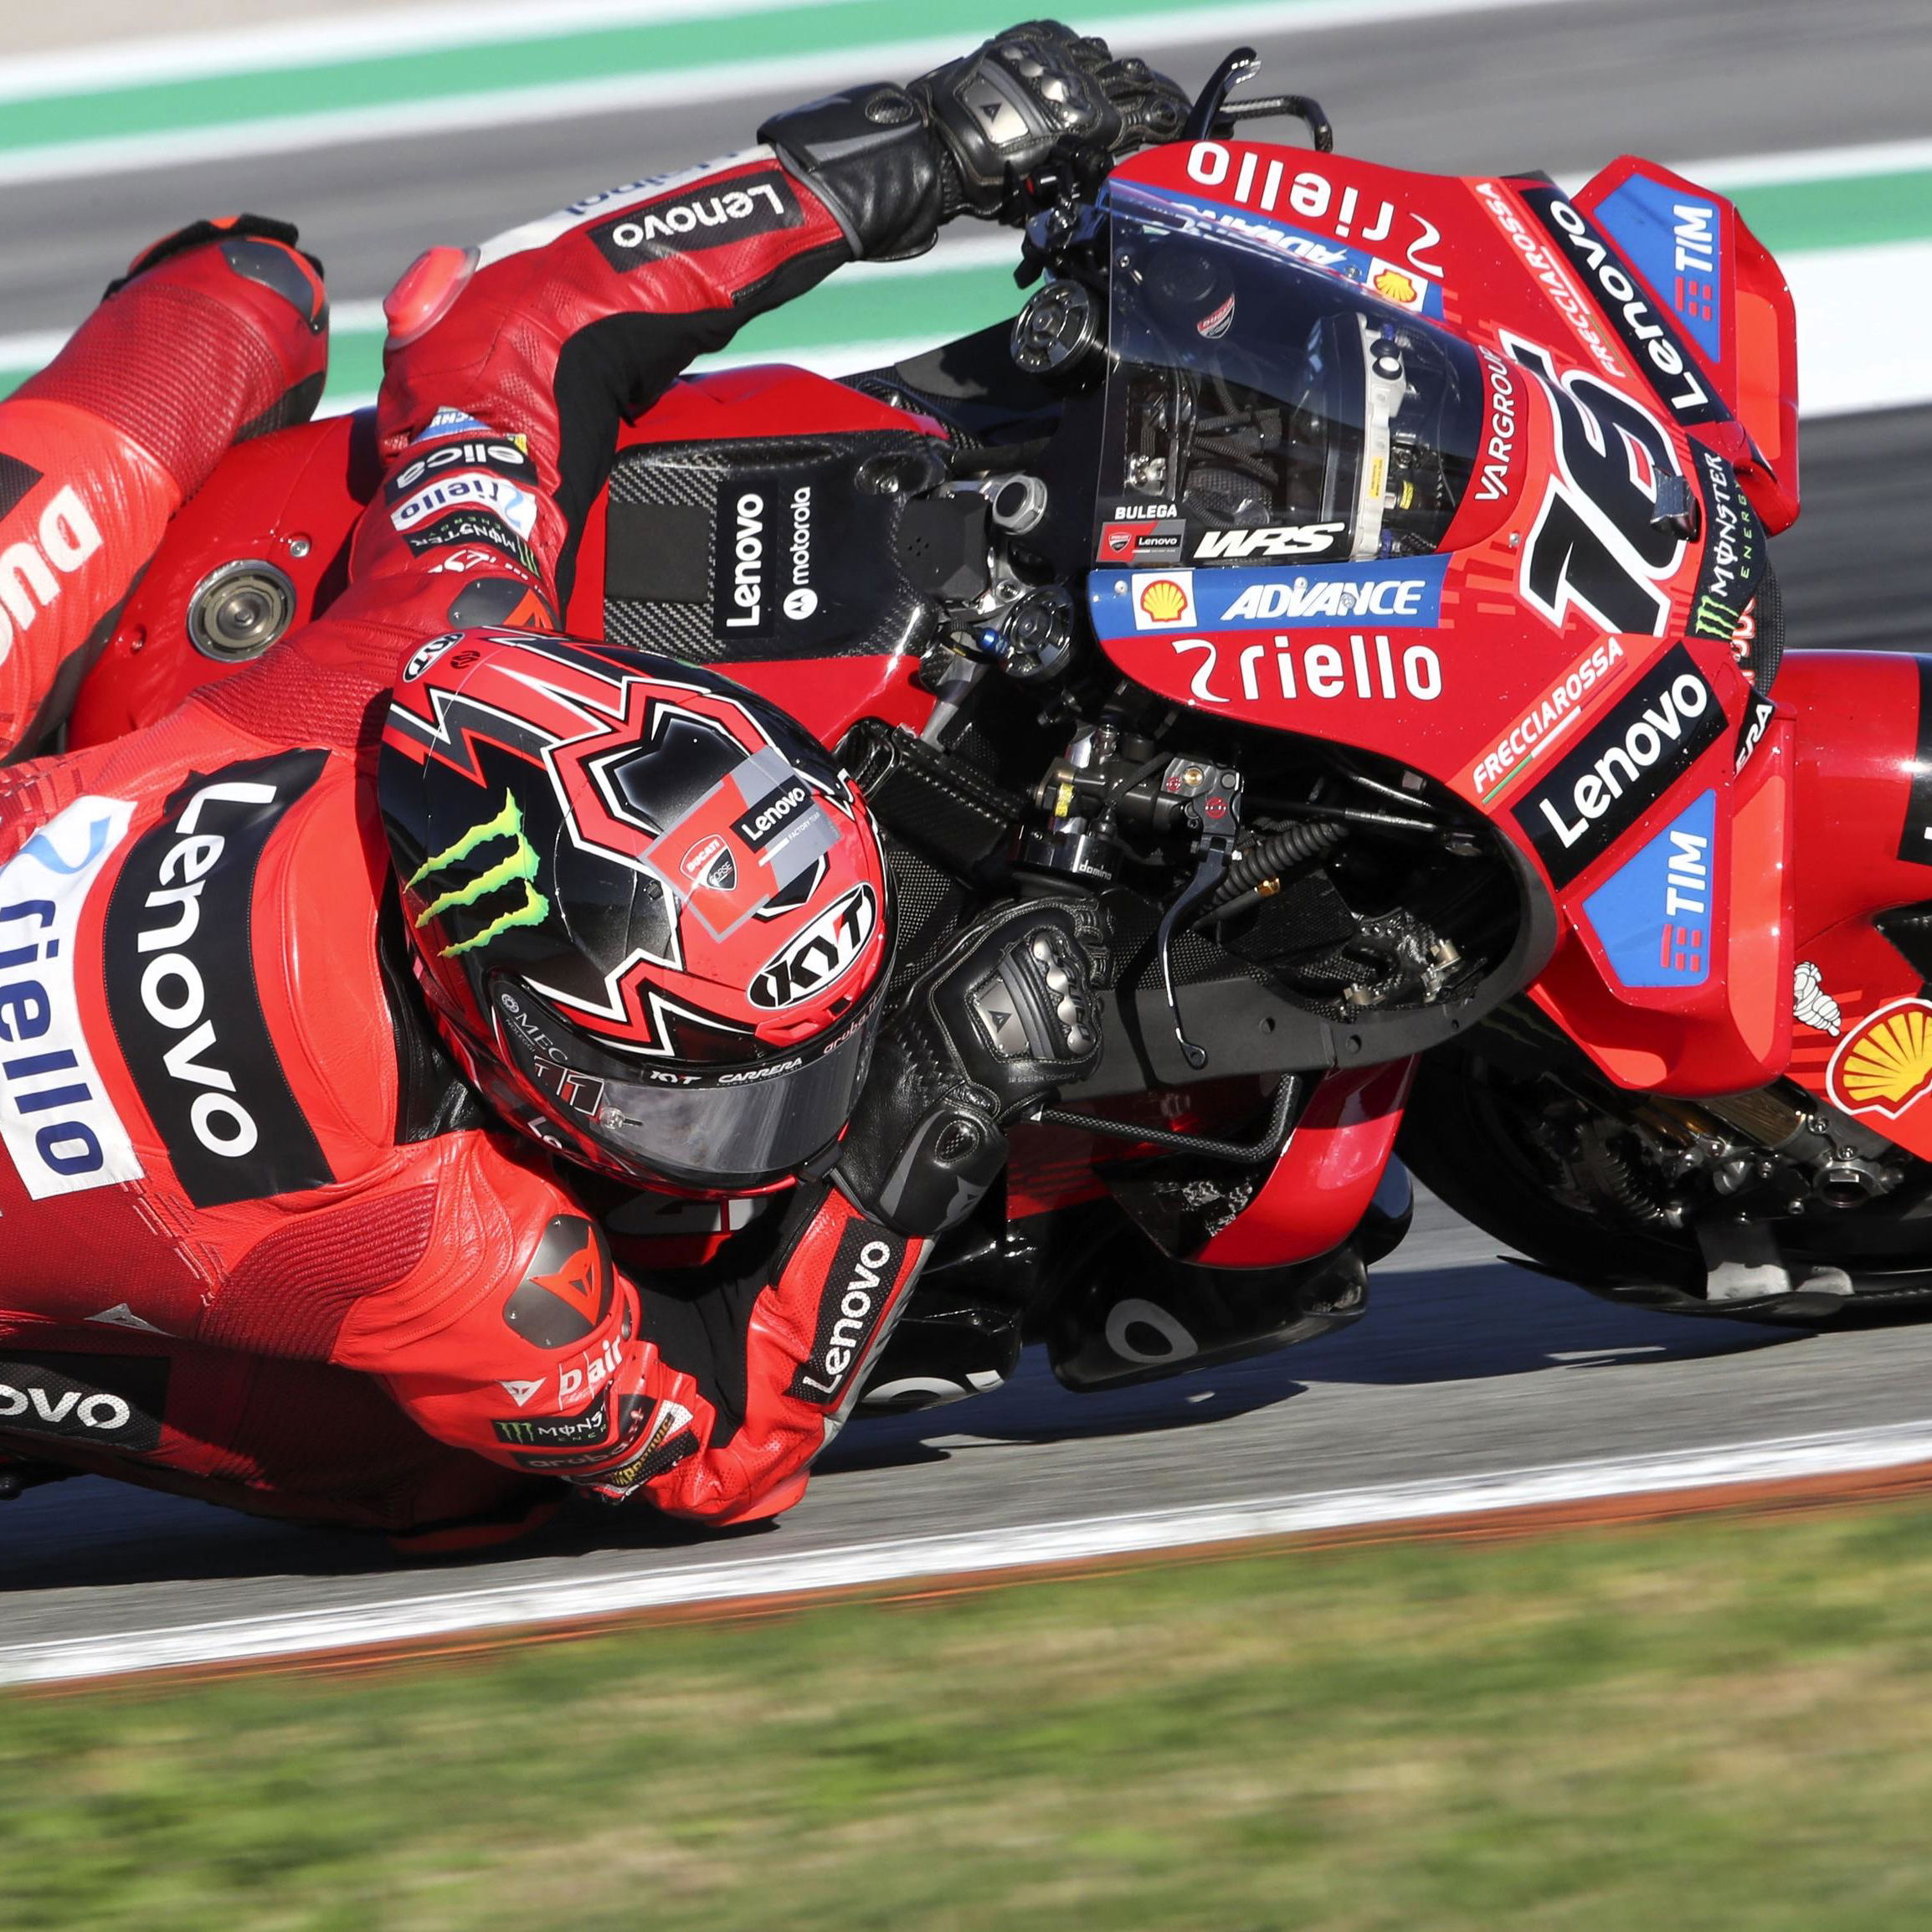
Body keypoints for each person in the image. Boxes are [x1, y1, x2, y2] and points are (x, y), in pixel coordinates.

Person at [0, 23, 1181, 1539]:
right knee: (457, 1475)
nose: (757, 1134)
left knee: (240, 290)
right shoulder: (435, 1241)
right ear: (506, 1035)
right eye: (696, 1102)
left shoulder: (424, 644)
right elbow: (717, 1456)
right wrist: (924, 1112)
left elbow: (507, 319)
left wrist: (915, 151)